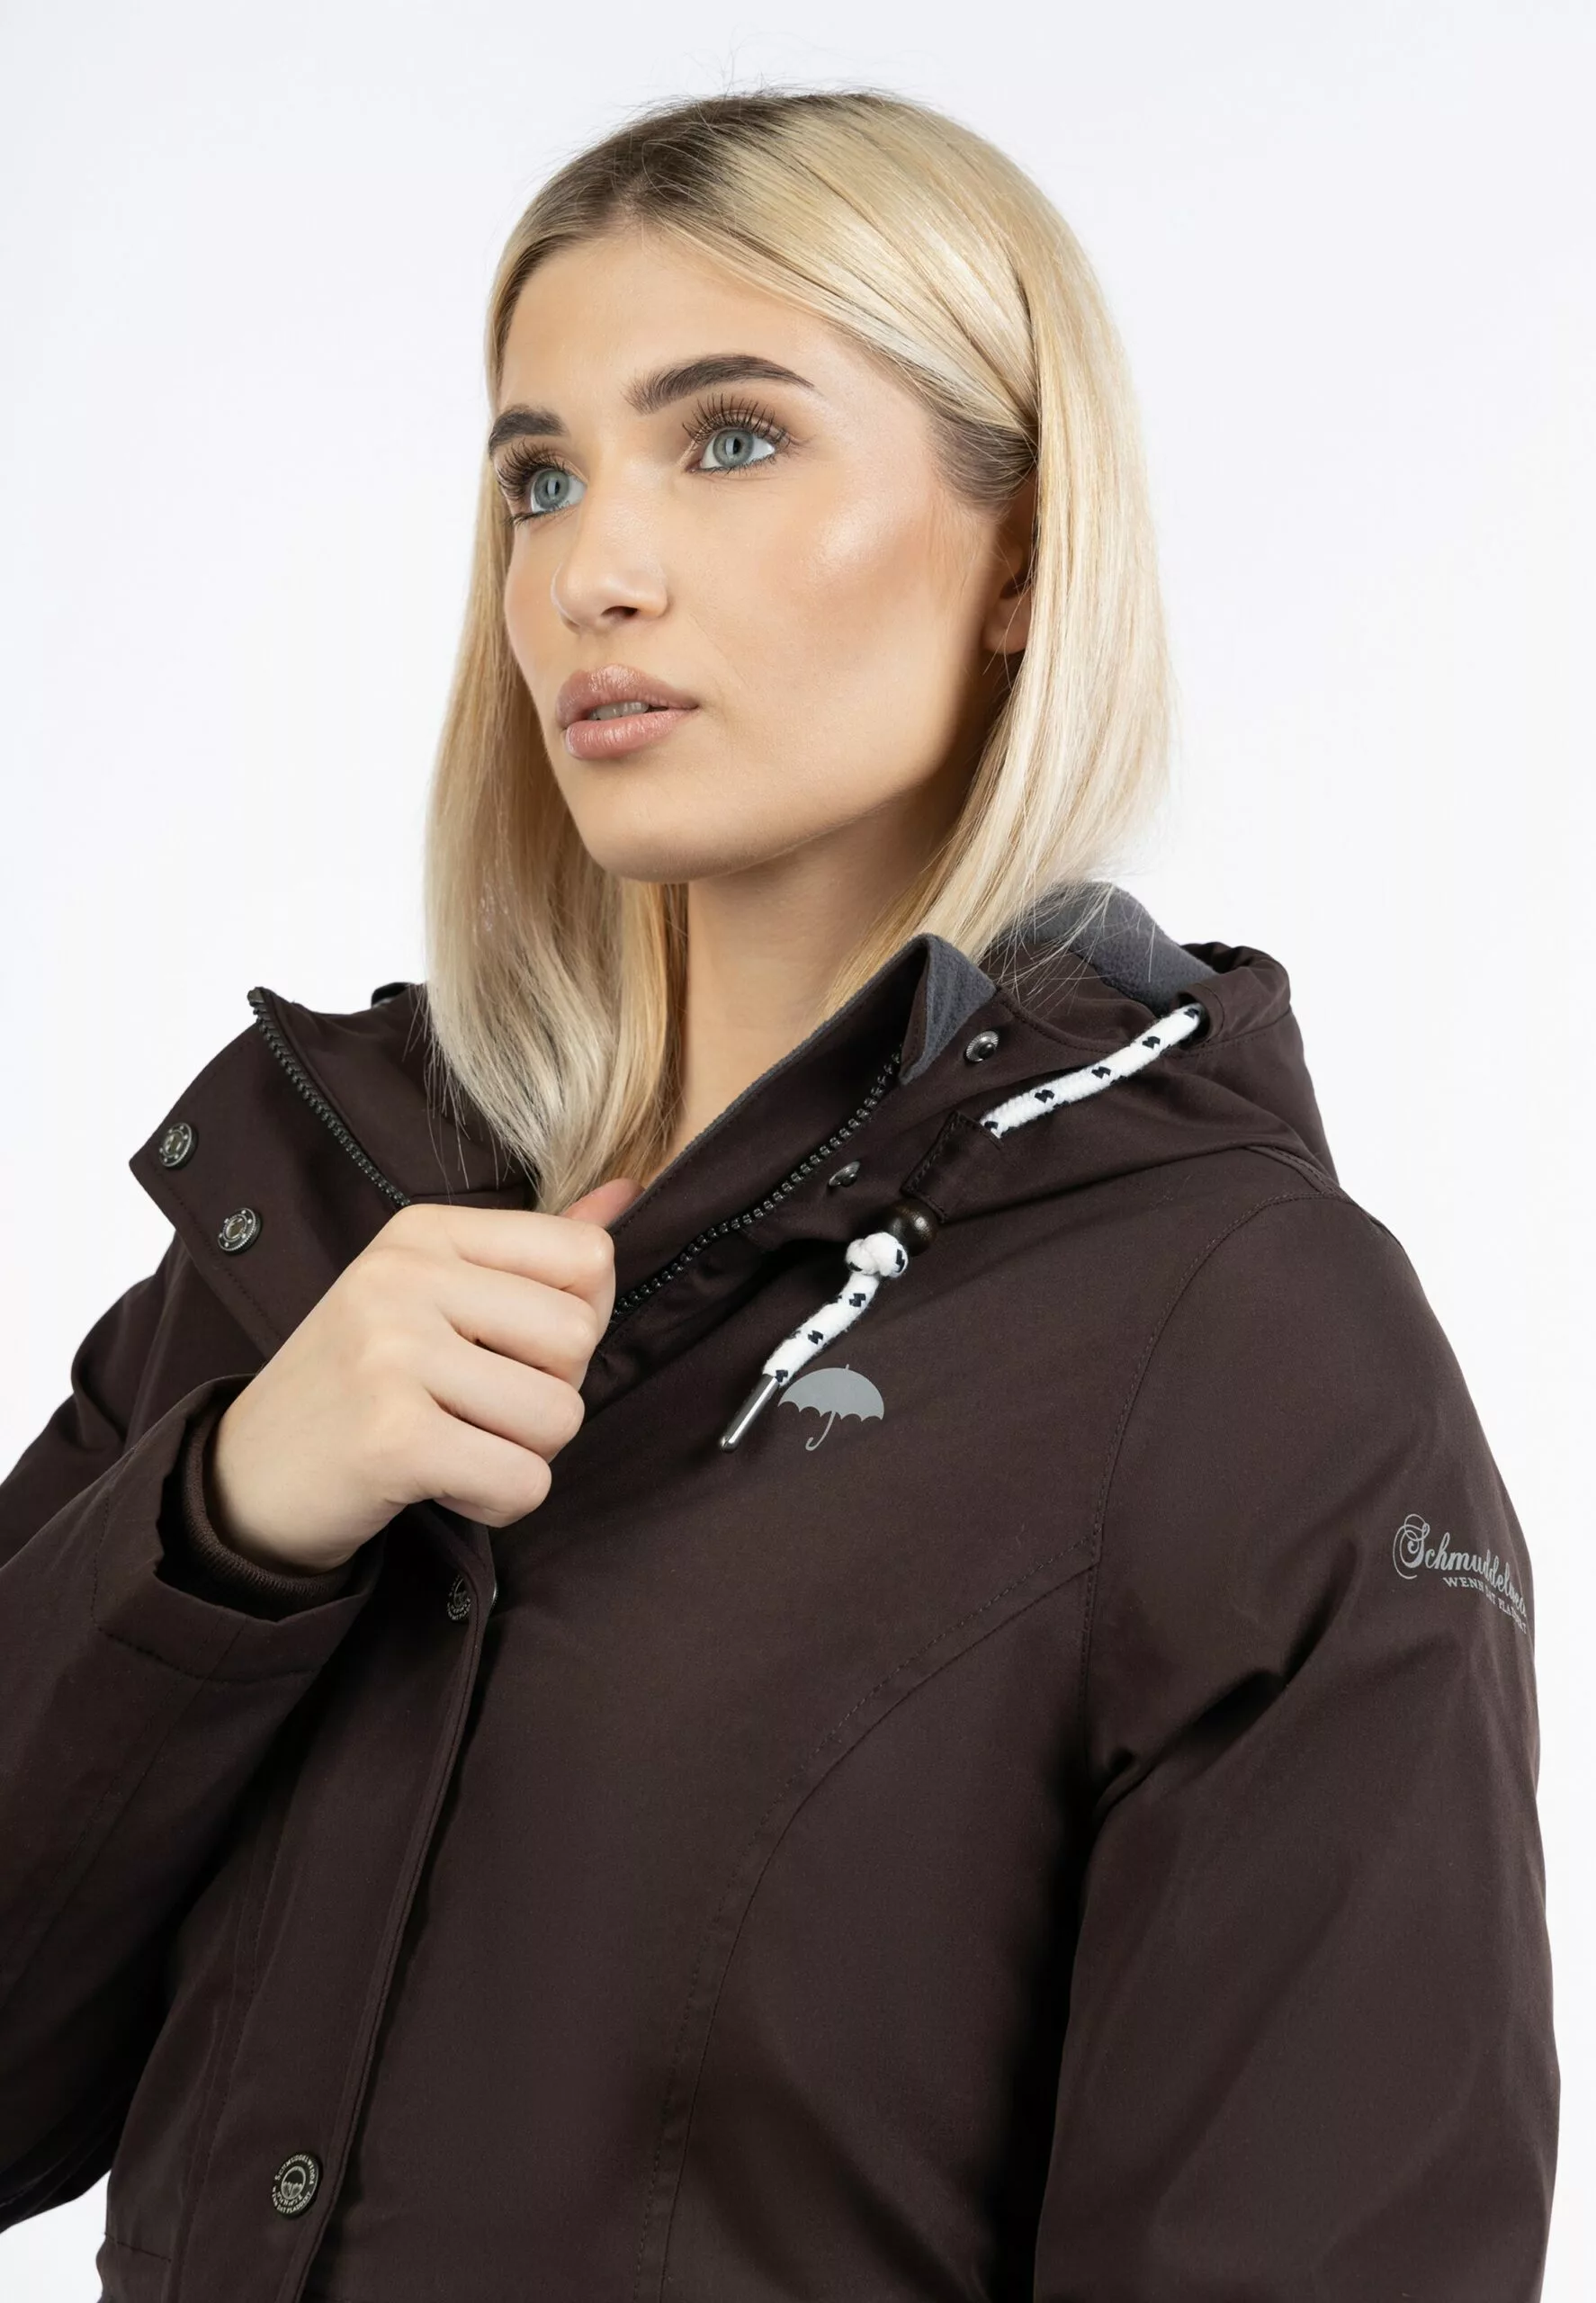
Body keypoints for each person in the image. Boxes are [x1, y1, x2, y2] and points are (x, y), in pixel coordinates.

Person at [0, 84, 1556, 2303]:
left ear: (1018, 551)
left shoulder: (1244, 1350)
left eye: (728, 438)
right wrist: (231, 1520)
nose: (589, 573)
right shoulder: (315, 1241)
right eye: (538, 476)